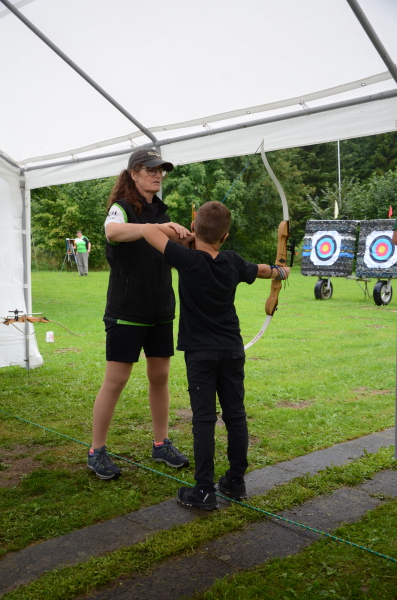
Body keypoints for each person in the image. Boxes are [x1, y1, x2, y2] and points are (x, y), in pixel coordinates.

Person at [141, 201, 290, 510]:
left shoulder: (186, 258)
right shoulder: (232, 261)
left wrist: (179, 232)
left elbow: (146, 231)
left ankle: (205, 490)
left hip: (201, 353)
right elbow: (261, 270)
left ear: (195, 229)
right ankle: (236, 481)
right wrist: (280, 271)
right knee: (235, 414)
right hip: (232, 350)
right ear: (225, 237)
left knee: (205, 419)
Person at [87, 148, 193, 480]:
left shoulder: (160, 212)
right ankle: (96, 451)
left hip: (160, 308)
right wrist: (151, 229)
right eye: (150, 170)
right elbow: (112, 233)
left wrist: (187, 239)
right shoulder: (121, 209)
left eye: (161, 170)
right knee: (116, 380)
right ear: (133, 174)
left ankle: (161, 444)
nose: (157, 174)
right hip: (127, 311)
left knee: (160, 377)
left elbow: (170, 253)